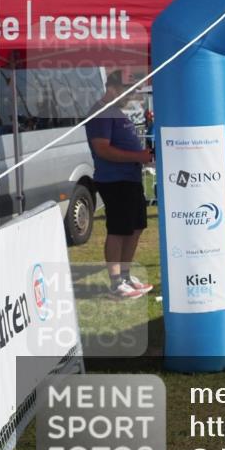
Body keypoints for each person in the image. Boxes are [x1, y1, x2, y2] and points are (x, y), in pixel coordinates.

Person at [84, 71, 155, 300]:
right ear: (112, 87)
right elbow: (102, 149)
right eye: (128, 90)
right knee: (118, 229)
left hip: (130, 178)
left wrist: (140, 156)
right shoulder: (101, 112)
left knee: (135, 227)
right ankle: (116, 282)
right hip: (114, 179)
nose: (131, 95)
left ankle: (124, 275)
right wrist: (138, 156)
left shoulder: (115, 111)